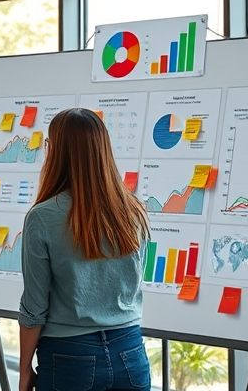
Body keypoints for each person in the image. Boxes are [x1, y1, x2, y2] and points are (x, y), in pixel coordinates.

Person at [17, 108, 151, 391]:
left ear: (56, 152)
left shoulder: (42, 216)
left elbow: (34, 307)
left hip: (70, 357)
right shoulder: (133, 210)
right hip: (130, 352)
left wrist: (25, 368)